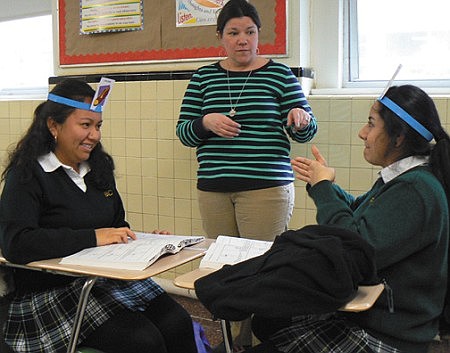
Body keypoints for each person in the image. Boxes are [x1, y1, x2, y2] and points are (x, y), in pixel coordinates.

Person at [243, 84, 450, 353]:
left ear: (398, 137)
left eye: (371, 125)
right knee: (268, 320)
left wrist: (323, 188)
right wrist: (324, 184)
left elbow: (351, 248)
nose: (362, 133)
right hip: (371, 315)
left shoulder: (415, 189)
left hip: (388, 332)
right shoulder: (406, 176)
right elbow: (359, 212)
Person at [0, 78, 198, 353]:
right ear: (53, 126)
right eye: (85, 125)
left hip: (103, 282)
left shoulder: (98, 168)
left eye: (98, 126)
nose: (94, 135)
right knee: (142, 341)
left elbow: (116, 226)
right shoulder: (27, 174)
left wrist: (143, 242)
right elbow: (16, 244)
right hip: (52, 292)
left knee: (178, 322)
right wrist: (93, 237)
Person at [176, 0, 317, 243]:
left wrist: (300, 121)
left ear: (258, 34)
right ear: (220, 36)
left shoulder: (279, 74)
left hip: (266, 188)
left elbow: (307, 131)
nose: (243, 40)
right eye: (233, 33)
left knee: (260, 265)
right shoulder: (203, 77)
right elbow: (184, 133)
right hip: (214, 188)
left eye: (250, 32)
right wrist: (205, 123)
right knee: (220, 263)